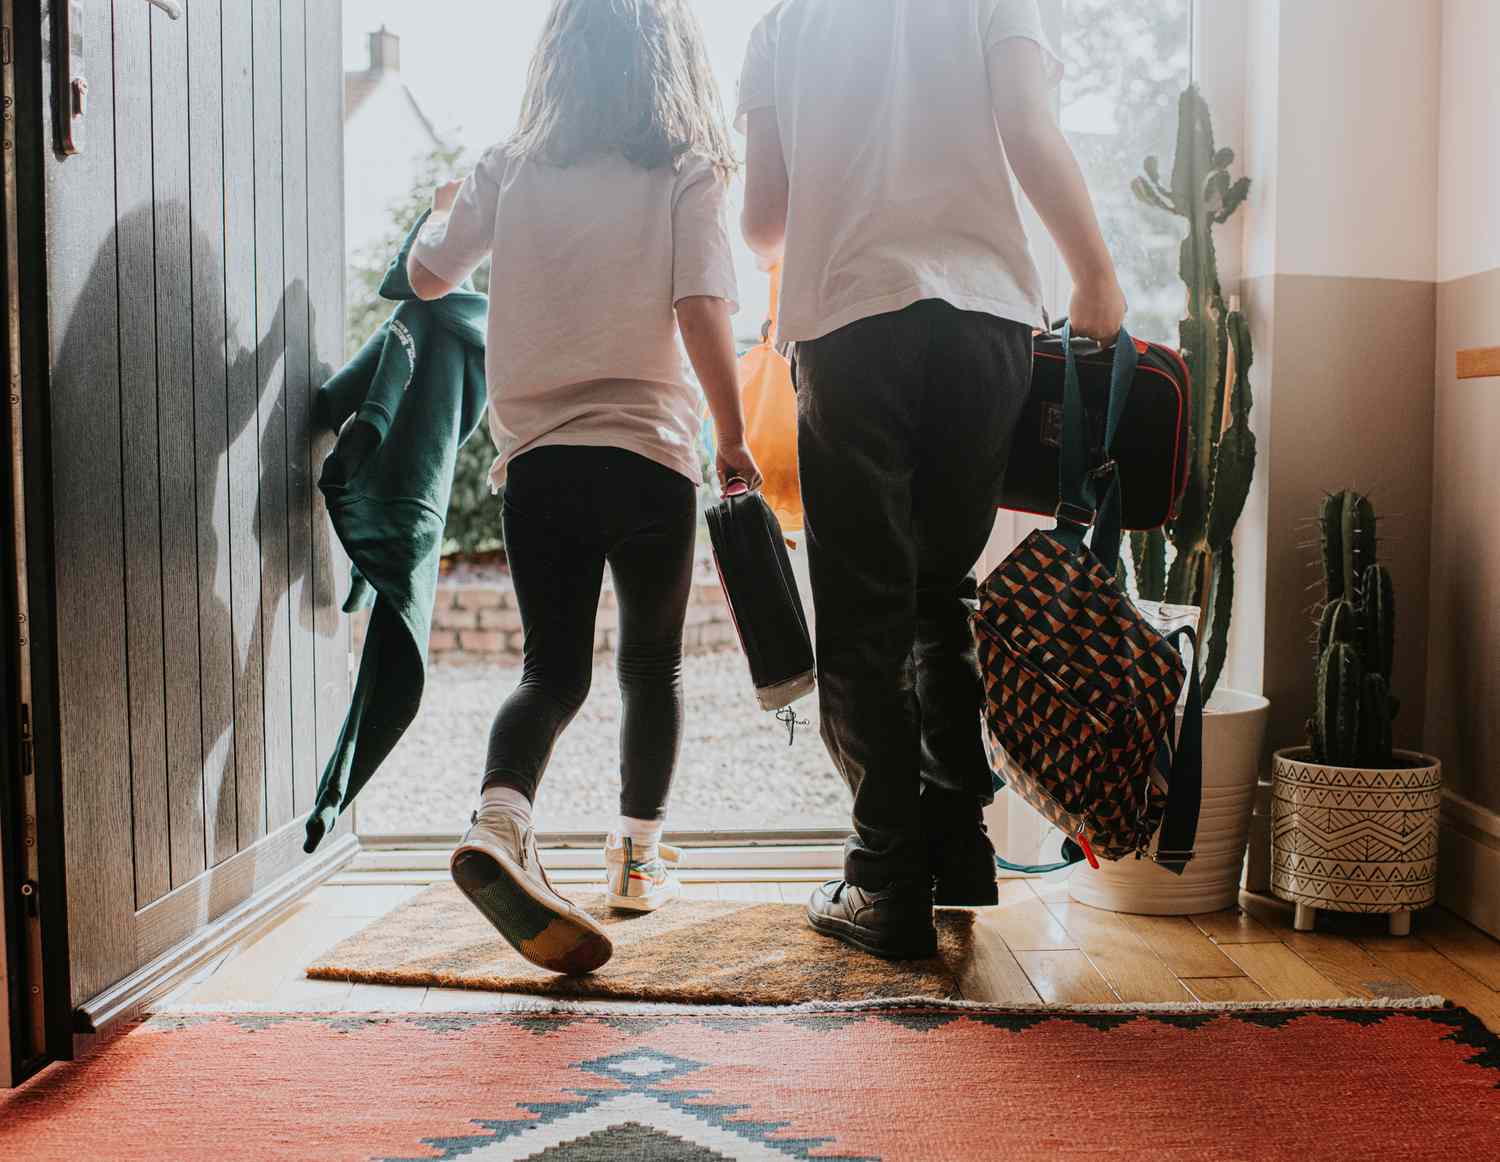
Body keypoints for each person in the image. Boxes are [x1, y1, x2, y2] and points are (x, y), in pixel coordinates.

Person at [739, 0, 1127, 959]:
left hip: (853, 319)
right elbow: (1028, 127)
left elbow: (763, 223)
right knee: (942, 591)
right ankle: (957, 843)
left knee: (866, 609)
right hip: (987, 321)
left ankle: (883, 877)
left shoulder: (786, 25)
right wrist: (1095, 275)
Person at [407, 0, 761, 976]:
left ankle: (498, 819)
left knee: (550, 671)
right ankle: (639, 861)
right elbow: (700, 306)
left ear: (556, 59)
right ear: (669, 61)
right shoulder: (687, 168)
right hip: (649, 460)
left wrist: (444, 205)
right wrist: (730, 435)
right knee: (653, 667)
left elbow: (428, 276)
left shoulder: (508, 167)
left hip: (541, 466)